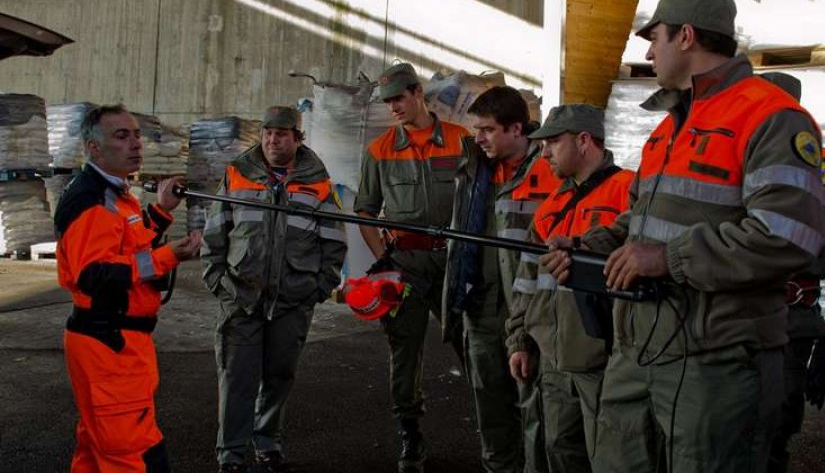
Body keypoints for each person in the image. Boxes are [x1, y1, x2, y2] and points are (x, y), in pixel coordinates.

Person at [541, 0, 825, 472]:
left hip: (716, 362)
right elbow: (641, 220)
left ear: (687, 36)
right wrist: (589, 245)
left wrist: (667, 258)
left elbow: (785, 236)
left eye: (654, 39)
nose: (649, 53)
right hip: (638, 348)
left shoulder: (771, 117)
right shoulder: (669, 126)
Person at [55, 104, 202, 472]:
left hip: (116, 343)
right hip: (109, 345)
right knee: (132, 453)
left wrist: (161, 213)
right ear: (94, 148)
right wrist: (167, 257)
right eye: (122, 136)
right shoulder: (93, 201)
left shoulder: (115, 194)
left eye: (137, 135)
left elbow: (127, 244)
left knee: (99, 448)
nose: (136, 144)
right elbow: (95, 274)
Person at [201, 106, 347, 473]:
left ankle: (267, 444)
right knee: (236, 377)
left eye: (281, 134)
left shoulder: (318, 182)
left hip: (292, 300)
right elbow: (215, 230)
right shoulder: (237, 174)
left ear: (297, 138)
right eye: (267, 133)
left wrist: (319, 287)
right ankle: (231, 455)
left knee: (279, 375)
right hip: (240, 297)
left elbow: (334, 240)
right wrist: (217, 280)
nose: (272, 140)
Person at [354, 62, 469, 473]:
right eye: (388, 102)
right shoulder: (380, 149)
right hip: (405, 266)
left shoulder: (461, 140)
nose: (394, 108)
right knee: (404, 351)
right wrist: (382, 259)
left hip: (454, 262)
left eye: (399, 98)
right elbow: (365, 211)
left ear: (418, 92)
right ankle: (411, 434)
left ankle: (497, 429)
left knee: (474, 344)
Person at [506, 104, 633, 472]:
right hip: (554, 361)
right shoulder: (551, 207)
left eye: (553, 143)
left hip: (607, 361)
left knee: (612, 458)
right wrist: (520, 341)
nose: (543, 153)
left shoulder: (628, 192)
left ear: (583, 141)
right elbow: (526, 282)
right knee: (561, 450)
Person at [443, 86, 558, 473]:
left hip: (529, 310)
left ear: (516, 129)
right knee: (490, 408)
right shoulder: (474, 166)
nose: (479, 138)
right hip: (479, 306)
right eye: (476, 129)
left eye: (488, 129)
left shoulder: (549, 168)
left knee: (535, 409)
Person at [760, 72, 825, 473]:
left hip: (788, 311)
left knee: (777, 412)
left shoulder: (819, 164)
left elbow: (790, 233)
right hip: (742, 309)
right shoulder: (751, 156)